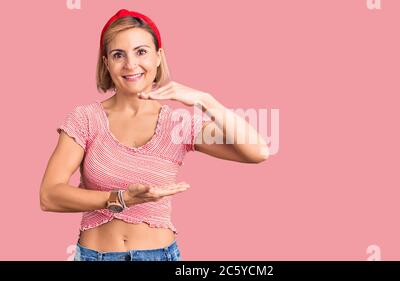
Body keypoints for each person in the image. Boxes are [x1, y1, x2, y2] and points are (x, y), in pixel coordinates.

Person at [40, 9, 269, 261]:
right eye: (118, 55)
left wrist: (206, 100)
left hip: (159, 256)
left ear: (158, 57)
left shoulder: (177, 124)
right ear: (106, 63)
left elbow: (258, 151)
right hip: (96, 256)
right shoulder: (85, 118)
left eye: (141, 51)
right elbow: (50, 196)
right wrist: (121, 198)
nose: (130, 64)